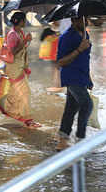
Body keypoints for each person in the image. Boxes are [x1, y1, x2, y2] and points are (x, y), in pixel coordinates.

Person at [0, 12, 41, 128]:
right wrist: (25, 41)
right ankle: (28, 120)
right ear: (19, 21)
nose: (25, 22)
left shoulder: (20, 32)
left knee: (13, 94)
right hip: (14, 68)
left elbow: (21, 50)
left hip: (20, 67)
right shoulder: (12, 35)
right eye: (24, 20)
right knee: (25, 93)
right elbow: (12, 52)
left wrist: (26, 41)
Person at [55, 16, 93, 151]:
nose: (85, 22)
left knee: (71, 108)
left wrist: (88, 79)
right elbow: (60, 62)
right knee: (87, 105)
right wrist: (79, 49)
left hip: (82, 76)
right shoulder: (66, 37)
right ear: (73, 20)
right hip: (72, 77)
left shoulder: (85, 33)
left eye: (86, 19)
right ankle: (80, 138)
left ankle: (63, 139)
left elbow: (85, 59)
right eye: (81, 19)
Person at [39, 27, 63, 92]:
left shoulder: (46, 38)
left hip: (52, 57)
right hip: (55, 56)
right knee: (57, 71)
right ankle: (57, 85)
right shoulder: (52, 38)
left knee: (55, 70)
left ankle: (56, 85)